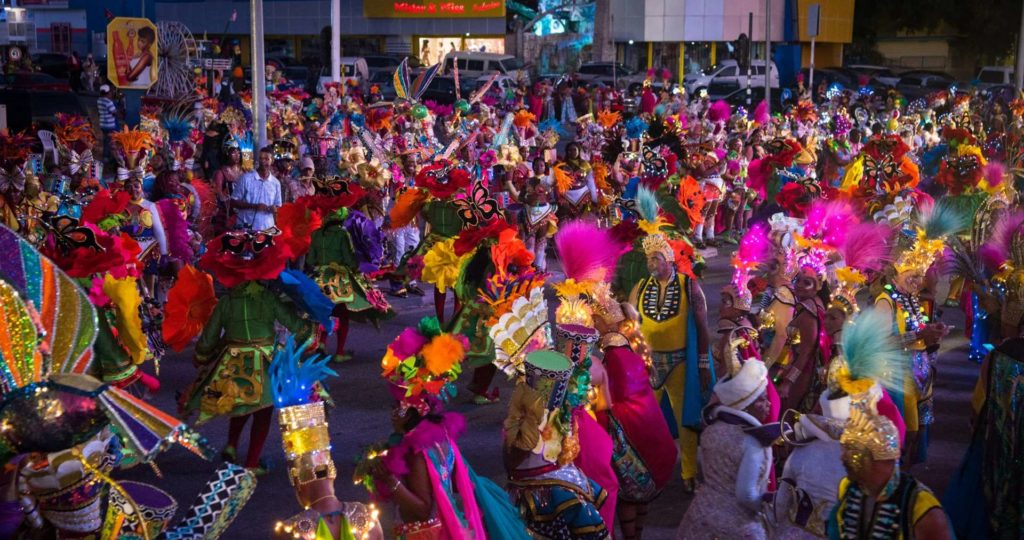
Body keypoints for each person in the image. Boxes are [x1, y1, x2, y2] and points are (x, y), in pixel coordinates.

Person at [629, 232, 712, 492]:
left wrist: (702, 364)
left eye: (655, 259)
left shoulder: (689, 286)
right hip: (649, 364)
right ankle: (647, 469)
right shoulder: (641, 287)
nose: (651, 264)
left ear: (668, 259)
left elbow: (703, 328)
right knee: (643, 420)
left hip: (680, 364)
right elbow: (629, 325)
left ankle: (688, 472)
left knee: (685, 421)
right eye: (648, 260)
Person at [675, 359, 774, 539]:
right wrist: (770, 505)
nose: (769, 405)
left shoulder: (712, 429)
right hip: (736, 526)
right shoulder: (753, 442)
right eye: (762, 399)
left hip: (701, 514)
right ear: (746, 403)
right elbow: (746, 495)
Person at [828, 407, 952, 539]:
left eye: (853, 451)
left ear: (880, 459)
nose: (843, 458)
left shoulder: (921, 508)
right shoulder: (847, 487)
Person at [232, 146, 282, 231]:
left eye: (267, 159)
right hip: (246, 229)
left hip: (267, 230)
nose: (263, 161)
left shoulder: (276, 183)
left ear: (272, 161)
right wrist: (254, 206)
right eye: (261, 158)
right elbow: (233, 202)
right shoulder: (246, 178)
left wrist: (275, 209)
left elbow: (278, 206)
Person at [97, 85, 119, 171]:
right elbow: (114, 112)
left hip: (102, 124)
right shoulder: (108, 102)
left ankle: (106, 156)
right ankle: (109, 158)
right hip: (109, 125)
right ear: (108, 92)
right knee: (112, 141)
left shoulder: (99, 100)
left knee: (106, 140)